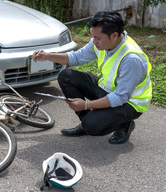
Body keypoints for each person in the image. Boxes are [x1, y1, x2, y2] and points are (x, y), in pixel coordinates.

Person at [32, 10, 152, 144]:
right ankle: (87, 122)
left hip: (130, 103)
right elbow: (77, 57)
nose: (93, 41)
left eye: (97, 38)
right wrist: (48, 56)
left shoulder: (131, 59)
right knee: (66, 76)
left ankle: (124, 124)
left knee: (93, 127)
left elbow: (120, 97)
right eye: (92, 36)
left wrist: (86, 105)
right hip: (109, 90)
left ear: (114, 36)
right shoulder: (103, 42)